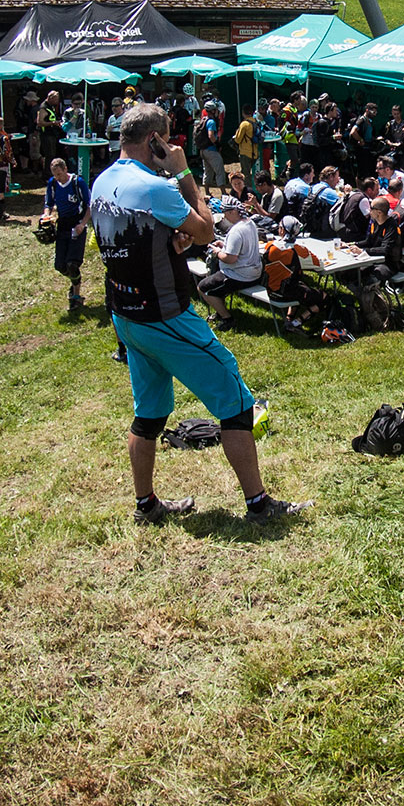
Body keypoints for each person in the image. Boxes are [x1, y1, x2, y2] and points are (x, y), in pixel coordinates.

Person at [89, 103, 307, 525]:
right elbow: (208, 229)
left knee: (149, 413)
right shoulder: (158, 187)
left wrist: (172, 239)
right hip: (165, 316)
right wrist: (184, 171)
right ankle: (259, 505)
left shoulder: (102, 181)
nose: (170, 146)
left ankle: (145, 505)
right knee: (237, 401)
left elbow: (134, 235)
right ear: (154, 141)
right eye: (166, 140)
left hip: (125, 315)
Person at [198, 198, 267, 323]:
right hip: (256, 272)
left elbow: (230, 259)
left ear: (232, 212)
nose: (224, 216)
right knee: (215, 282)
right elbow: (241, 247)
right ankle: (221, 310)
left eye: (225, 213)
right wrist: (225, 244)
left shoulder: (236, 231)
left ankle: (226, 318)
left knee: (203, 287)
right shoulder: (250, 223)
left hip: (240, 276)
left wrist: (217, 252)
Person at [45, 156, 88, 310]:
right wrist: (46, 215)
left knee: (72, 263)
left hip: (76, 224)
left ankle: (76, 296)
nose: (58, 178)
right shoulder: (53, 184)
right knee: (60, 265)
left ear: (65, 170)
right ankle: (74, 281)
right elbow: (48, 204)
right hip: (62, 225)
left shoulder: (78, 183)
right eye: (55, 175)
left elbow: (89, 206)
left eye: (60, 174)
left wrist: (83, 224)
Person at [197, 107, 227, 193]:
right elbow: (211, 135)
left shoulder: (203, 120)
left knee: (207, 171)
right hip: (211, 150)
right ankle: (223, 192)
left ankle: (206, 192)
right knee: (219, 170)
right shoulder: (211, 122)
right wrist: (217, 144)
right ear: (213, 111)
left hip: (203, 150)